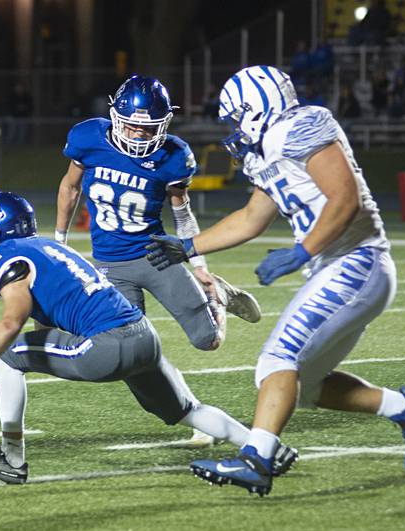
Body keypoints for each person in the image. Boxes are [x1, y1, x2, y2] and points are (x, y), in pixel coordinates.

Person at [146, 65, 405, 496]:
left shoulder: (300, 126)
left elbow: (345, 197)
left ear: (254, 109)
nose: (231, 128)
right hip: (340, 268)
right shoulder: (265, 151)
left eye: (234, 117)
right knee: (305, 386)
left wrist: (303, 250)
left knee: (276, 361)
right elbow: (251, 217)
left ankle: (257, 459)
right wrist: (189, 247)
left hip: (356, 260)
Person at [0, 191, 297, 484]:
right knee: (186, 411)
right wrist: (4, 343)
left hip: (108, 344)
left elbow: (13, 320)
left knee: (7, 355)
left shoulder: (5, 257)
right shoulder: (48, 248)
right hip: (143, 338)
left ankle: (11, 459)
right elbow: (47, 326)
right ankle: (264, 446)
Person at [54, 75, 262, 448]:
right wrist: (61, 241)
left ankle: (218, 298)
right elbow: (69, 187)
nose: (137, 135)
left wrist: (198, 263)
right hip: (108, 266)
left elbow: (181, 212)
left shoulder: (173, 156)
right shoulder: (88, 138)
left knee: (207, 341)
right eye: (132, 125)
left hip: (156, 256)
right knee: (133, 358)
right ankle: (197, 415)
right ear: (116, 116)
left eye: (147, 128)